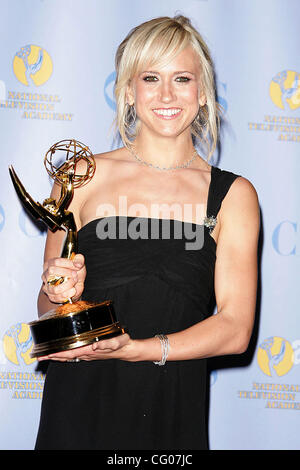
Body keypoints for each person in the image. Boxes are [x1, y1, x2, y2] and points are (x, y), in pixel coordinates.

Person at [35, 15, 260, 450]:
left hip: (171, 404)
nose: (167, 95)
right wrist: (56, 289)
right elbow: (48, 308)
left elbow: (235, 328)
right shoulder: (79, 176)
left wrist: (138, 349)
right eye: (151, 77)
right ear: (127, 90)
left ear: (203, 92)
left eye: (182, 78)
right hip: (79, 403)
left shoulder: (233, 194)